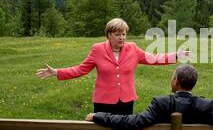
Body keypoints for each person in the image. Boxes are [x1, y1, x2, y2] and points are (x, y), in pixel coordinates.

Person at [36, 18, 191, 115]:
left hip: (126, 101)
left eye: (124, 34)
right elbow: (81, 69)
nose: (122, 37)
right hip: (103, 101)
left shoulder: (133, 49)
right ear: (109, 35)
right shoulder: (97, 49)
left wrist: (176, 55)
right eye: (118, 34)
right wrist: (57, 72)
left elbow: (153, 58)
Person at [85, 64, 213, 130]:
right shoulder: (206, 107)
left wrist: (98, 115)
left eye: (172, 76)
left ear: (176, 81)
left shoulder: (161, 104)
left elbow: (131, 123)